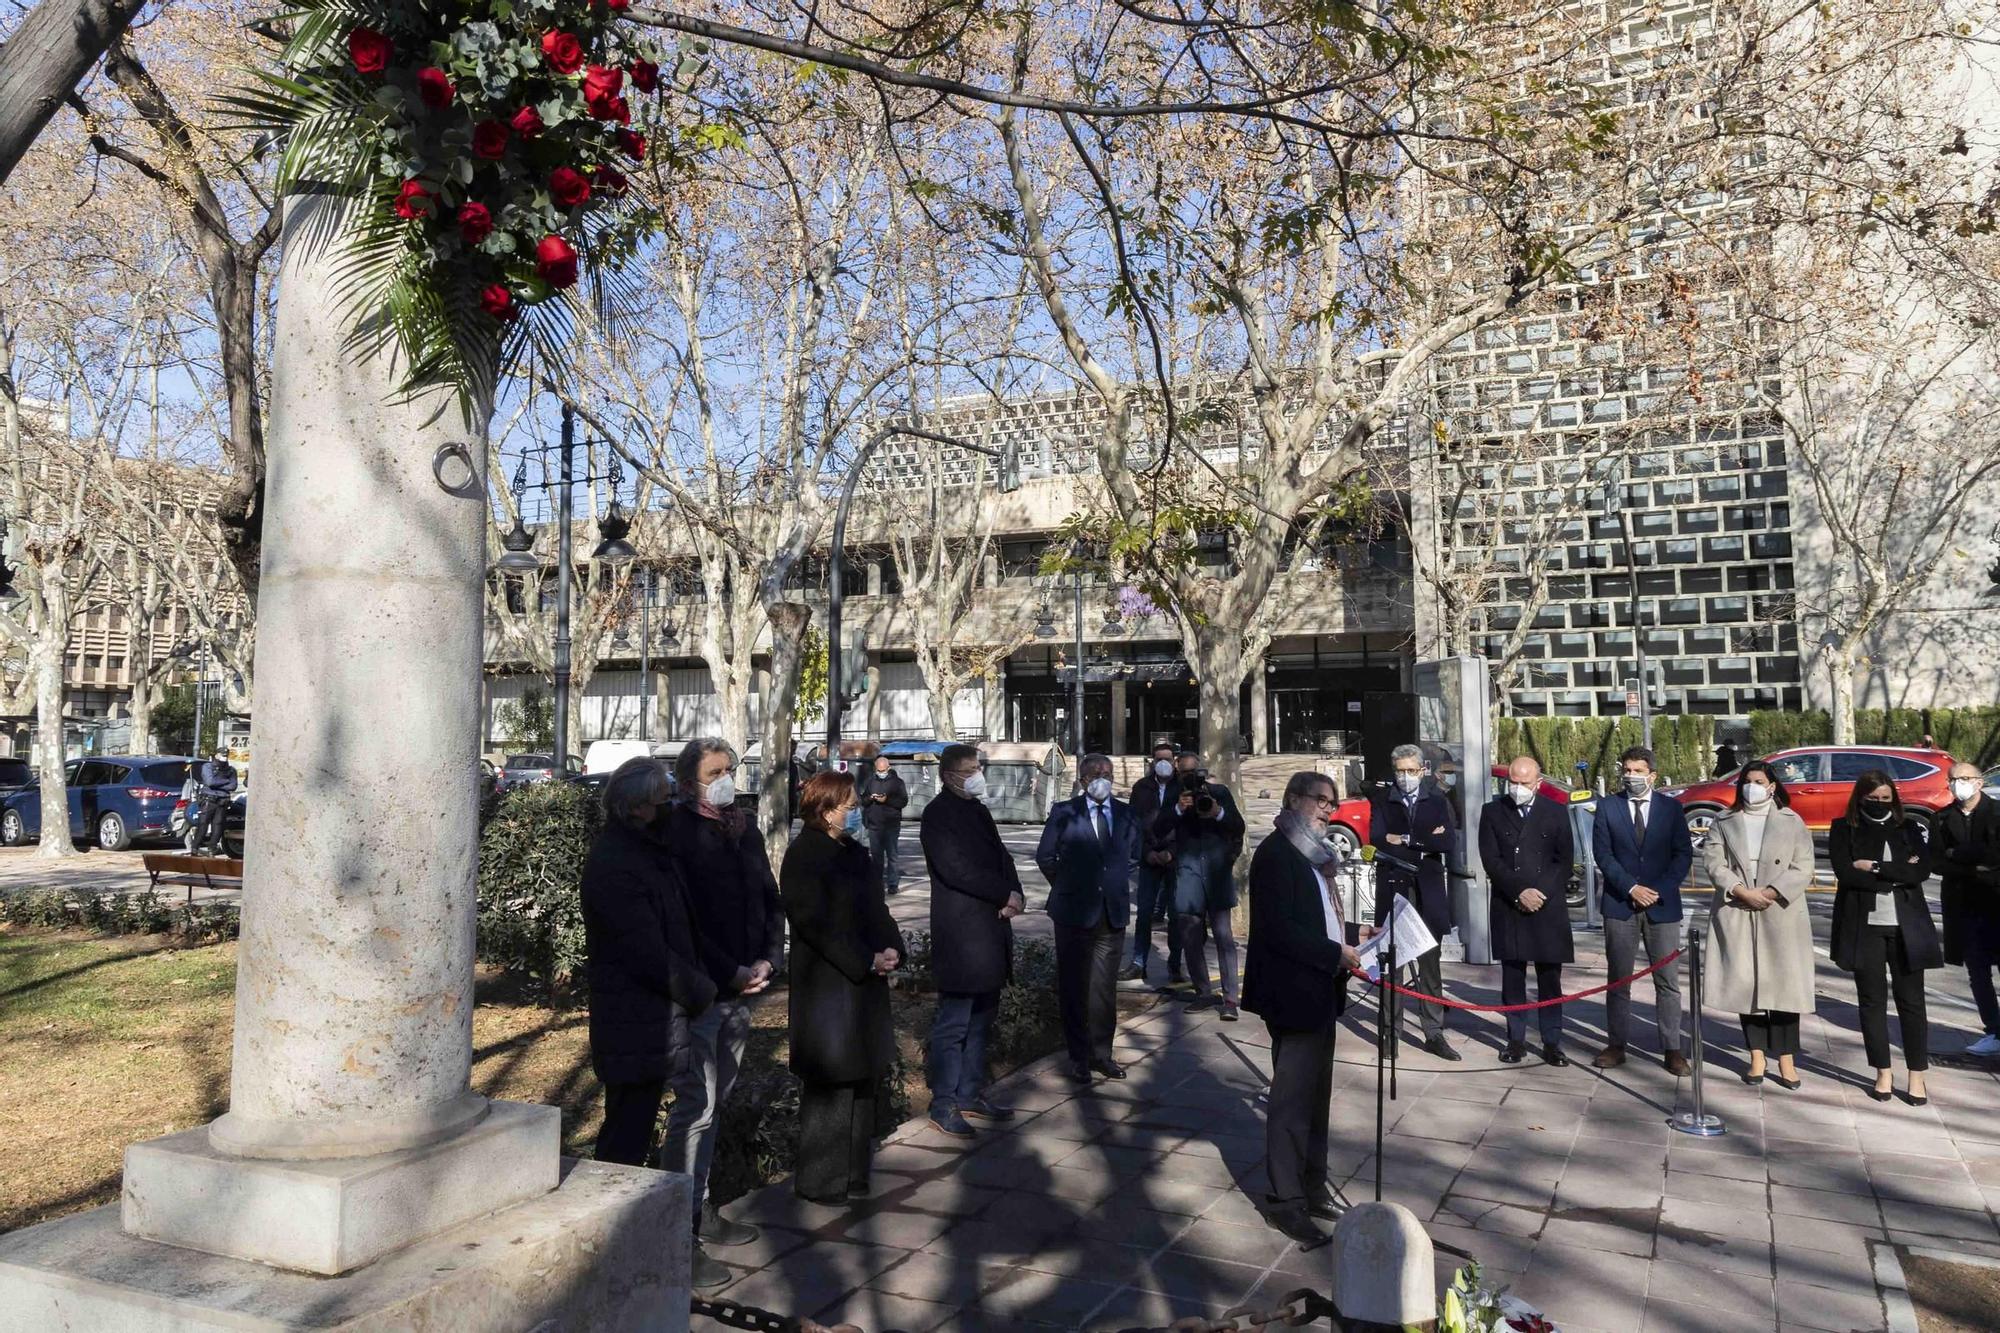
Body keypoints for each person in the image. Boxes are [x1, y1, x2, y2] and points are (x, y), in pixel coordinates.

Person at [581, 760, 719, 1254]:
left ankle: (619, 1235)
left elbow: (681, 927)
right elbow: (646, 953)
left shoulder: (647, 851)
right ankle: (603, 1241)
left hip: (651, 1017)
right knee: (624, 1136)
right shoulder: (616, 862)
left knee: (632, 1127)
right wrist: (699, 992)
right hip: (634, 1019)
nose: (671, 811)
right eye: (664, 802)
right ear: (637, 807)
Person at [663, 739, 781, 1274]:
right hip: (703, 992)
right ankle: (676, 1232)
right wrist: (725, 971)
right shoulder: (676, 835)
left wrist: (768, 959)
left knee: (714, 1108)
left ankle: (699, 1209)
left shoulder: (744, 827)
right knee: (695, 1108)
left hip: (743, 988)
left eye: (730, 769)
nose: (727, 778)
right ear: (689, 782)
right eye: (716, 772)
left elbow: (766, 898)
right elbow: (684, 923)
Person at [1242, 771, 1365, 1246]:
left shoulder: (1317, 856)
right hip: (1291, 992)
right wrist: (1334, 953)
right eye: (1320, 801)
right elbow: (1280, 929)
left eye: (1332, 805)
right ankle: (1285, 1202)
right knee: (1291, 1105)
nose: (1327, 811)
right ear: (1294, 800)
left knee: (1316, 1101)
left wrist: (1354, 936)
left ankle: (1313, 1187)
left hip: (1320, 989)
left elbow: (1322, 916)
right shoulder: (1277, 853)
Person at [781, 771, 904, 1204]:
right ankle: (821, 1180)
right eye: (848, 806)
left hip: (865, 982)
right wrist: (862, 958)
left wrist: (890, 948)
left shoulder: (853, 851)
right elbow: (812, 923)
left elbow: (875, 907)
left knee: (863, 1076)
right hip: (828, 983)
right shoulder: (804, 854)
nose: (853, 813)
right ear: (824, 806)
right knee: (832, 1079)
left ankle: (854, 1174)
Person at [920, 742, 1023, 1137]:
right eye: (970, 769)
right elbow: (955, 870)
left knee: (982, 1021)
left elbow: (1002, 857)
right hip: (961, 933)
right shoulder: (937, 815)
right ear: (949, 776)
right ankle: (944, 1102)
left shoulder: (978, 810)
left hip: (991, 931)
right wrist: (1002, 894)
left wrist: (1015, 894)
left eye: (979, 767)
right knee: (954, 1024)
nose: (978, 774)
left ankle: (969, 1092)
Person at [1700, 762, 1817, 1087]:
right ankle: (1755, 1056)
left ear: (1772, 786)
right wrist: (1739, 890)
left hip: (1779, 910)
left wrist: (1770, 891)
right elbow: (1713, 860)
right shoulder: (1724, 820)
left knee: (1783, 990)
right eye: (1747, 781)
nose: (1752, 786)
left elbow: (1804, 865)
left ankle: (1786, 1060)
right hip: (1737, 907)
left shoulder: (1792, 822)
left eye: (1759, 781)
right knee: (1747, 988)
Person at [1829, 770, 1940, 1105]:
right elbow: (1845, 872)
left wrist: (1876, 868)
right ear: (1860, 797)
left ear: (1894, 798)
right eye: (1872, 799)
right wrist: (1896, 873)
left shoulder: (1907, 829)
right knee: (1872, 1001)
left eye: (1885, 799)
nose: (1879, 804)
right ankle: (1883, 1072)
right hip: (1865, 926)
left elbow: (1920, 871)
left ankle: (1917, 1075)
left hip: (1907, 925)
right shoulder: (1843, 828)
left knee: (1912, 1002)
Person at [1035, 752, 1140, 1084]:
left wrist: (1113, 886)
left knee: (1103, 990)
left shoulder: (1125, 814)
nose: (1103, 778)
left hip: (1112, 914)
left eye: (1108, 773)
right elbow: (1045, 855)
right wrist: (1068, 886)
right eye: (1095, 773)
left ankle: (1102, 1054)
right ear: (1081, 779)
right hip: (1073, 913)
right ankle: (1078, 1057)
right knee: (1075, 988)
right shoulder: (1065, 812)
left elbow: (1133, 856)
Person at [1591, 745, 1694, 1074]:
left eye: (1638, 771)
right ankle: (1616, 1044)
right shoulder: (1608, 807)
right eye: (1627, 770)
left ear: (1652, 775)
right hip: (1620, 903)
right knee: (1618, 979)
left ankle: (1672, 1048)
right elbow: (1603, 855)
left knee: (1667, 981)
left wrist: (1657, 891)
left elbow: (1682, 855)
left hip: (1662, 906)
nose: (1631, 776)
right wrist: (1631, 888)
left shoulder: (1671, 809)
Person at [1479, 756, 1575, 1066]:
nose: (1517, 788)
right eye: (1513, 782)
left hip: (1547, 907)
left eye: (1523, 783)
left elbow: (1564, 860)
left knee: (1549, 978)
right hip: (1511, 904)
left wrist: (1541, 892)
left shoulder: (1556, 812)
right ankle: (1515, 1040)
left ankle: (1552, 1041)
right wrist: (1519, 890)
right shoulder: (1492, 811)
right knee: (1513, 978)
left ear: (1538, 783)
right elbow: (1491, 859)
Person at [1370, 743, 1460, 1060]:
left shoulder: (1437, 801)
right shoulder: (1383, 800)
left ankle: (1433, 1033)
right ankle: (1389, 1033)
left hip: (1429, 892)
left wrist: (1407, 839)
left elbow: (1447, 841)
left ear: (1422, 770)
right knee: (1391, 966)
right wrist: (1424, 841)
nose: (1405, 776)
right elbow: (1378, 839)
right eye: (1400, 771)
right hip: (1393, 890)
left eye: (1411, 770)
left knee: (1429, 968)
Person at [1157, 751, 1247, 1019]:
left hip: (1217, 875)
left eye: (1195, 773)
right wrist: (1177, 810)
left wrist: (1218, 813)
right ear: (1177, 773)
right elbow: (1158, 829)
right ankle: (1203, 992)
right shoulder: (1174, 796)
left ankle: (1230, 1000)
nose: (1191, 778)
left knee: (1224, 937)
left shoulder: (1219, 792)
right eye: (1184, 773)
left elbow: (1237, 826)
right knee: (1191, 936)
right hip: (1188, 875)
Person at [1937, 761, 2000, 1056]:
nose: (1956, 783)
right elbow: (1936, 860)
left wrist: (1958, 855)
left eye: (1963, 778)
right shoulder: (1942, 818)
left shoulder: (1997, 813)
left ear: (1979, 782)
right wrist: (1977, 865)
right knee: (1978, 972)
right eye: (1952, 779)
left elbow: (1996, 854)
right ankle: (1994, 1031)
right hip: (1964, 906)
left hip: (1996, 902)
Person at [1124, 740, 1186, 985]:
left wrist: (1172, 852)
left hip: (1175, 859)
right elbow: (1134, 824)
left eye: (1167, 759)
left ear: (1174, 762)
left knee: (1176, 915)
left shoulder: (1182, 787)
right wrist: (1146, 852)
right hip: (1149, 859)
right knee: (1145, 913)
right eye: (1158, 759)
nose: (1163, 763)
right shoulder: (1141, 788)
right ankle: (1139, 962)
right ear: (1152, 761)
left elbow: (1188, 827)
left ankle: (1175, 966)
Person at [856, 752, 910, 895]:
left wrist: (887, 800)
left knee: (892, 855)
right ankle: (877, 882)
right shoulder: (870, 781)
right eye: (878, 770)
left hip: (891, 824)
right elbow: (863, 799)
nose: (881, 772)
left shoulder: (897, 783)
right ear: (875, 768)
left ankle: (893, 884)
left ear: (888, 767)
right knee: (876, 856)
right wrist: (871, 798)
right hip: (874, 824)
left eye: (883, 770)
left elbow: (903, 802)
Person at [193, 750, 238, 855]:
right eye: (223, 755)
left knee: (218, 825)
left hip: (222, 801)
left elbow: (233, 786)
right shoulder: (208, 767)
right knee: (203, 823)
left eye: (226, 755)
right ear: (216, 755)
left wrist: (217, 783)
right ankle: (195, 847)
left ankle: (212, 848)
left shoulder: (231, 770)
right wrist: (226, 781)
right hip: (209, 799)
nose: (225, 757)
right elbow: (210, 782)